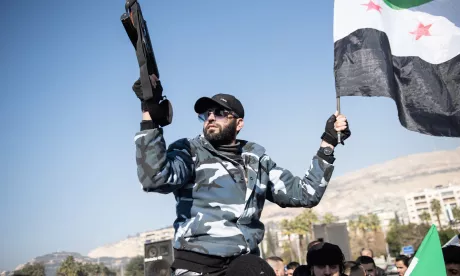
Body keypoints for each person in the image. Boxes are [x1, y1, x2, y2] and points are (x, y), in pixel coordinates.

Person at [133, 91, 351, 276]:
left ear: (239, 123)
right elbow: (155, 178)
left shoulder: (257, 160)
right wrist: (149, 118)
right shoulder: (189, 151)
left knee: (258, 269)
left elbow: (306, 193)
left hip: (242, 262)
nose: (211, 118)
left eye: (219, 113)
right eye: (206, 114)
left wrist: (328, 143)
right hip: (196, 263)